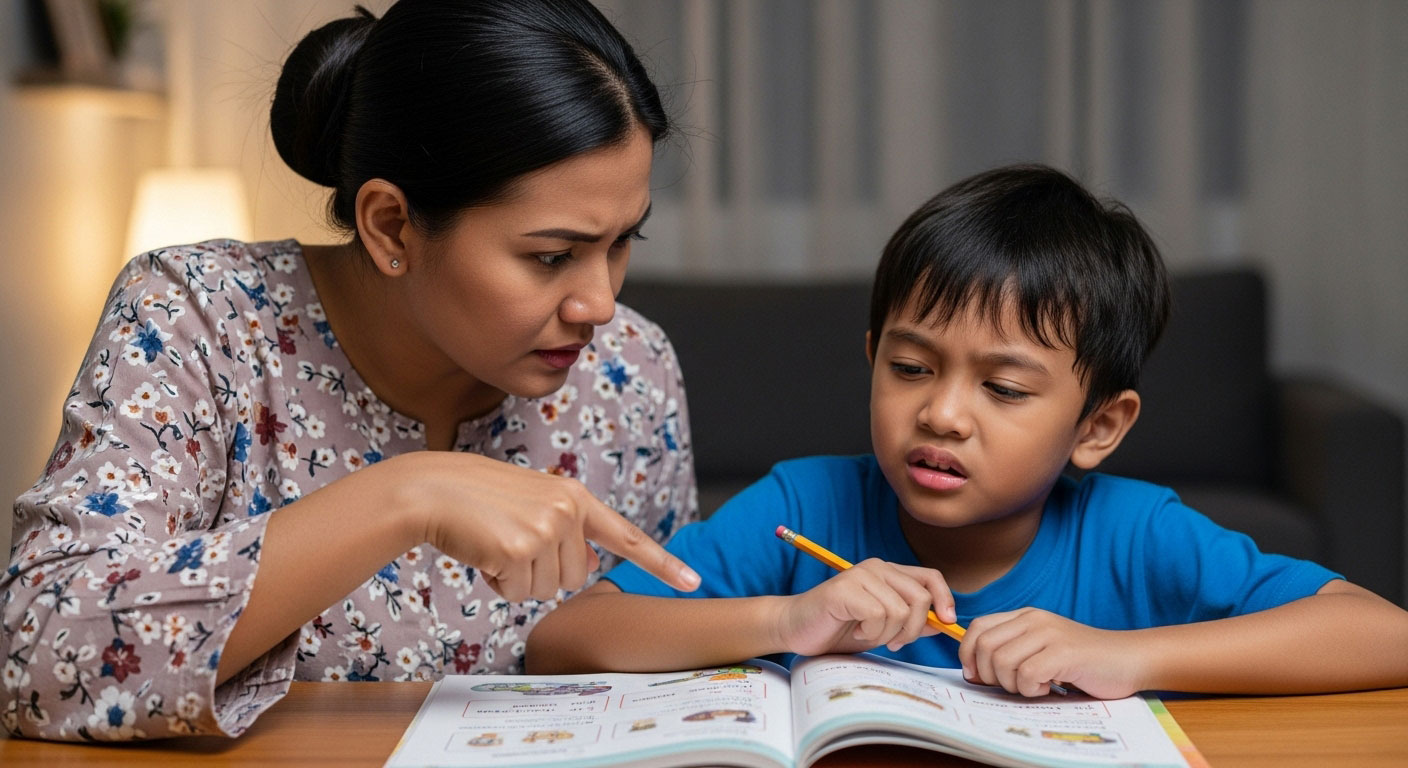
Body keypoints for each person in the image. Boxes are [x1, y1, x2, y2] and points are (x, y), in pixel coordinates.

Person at [1, 0, 702, 741]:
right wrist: (408, 494)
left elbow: (668, 684)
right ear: (391, 226)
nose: (600, 304)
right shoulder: (199, 319)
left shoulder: (632, 371)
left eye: (622, 241)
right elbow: (35, 655)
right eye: (552, 255)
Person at [528, 164, 1408, 698]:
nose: (942, 414)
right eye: (911, 368)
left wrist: (1127, 656)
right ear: (872, 358)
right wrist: (791, 618)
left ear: (1098, 426)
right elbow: (566, 638)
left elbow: (1383, 633)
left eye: (1004, 388)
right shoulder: (802, 504)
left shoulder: (1135, 533)